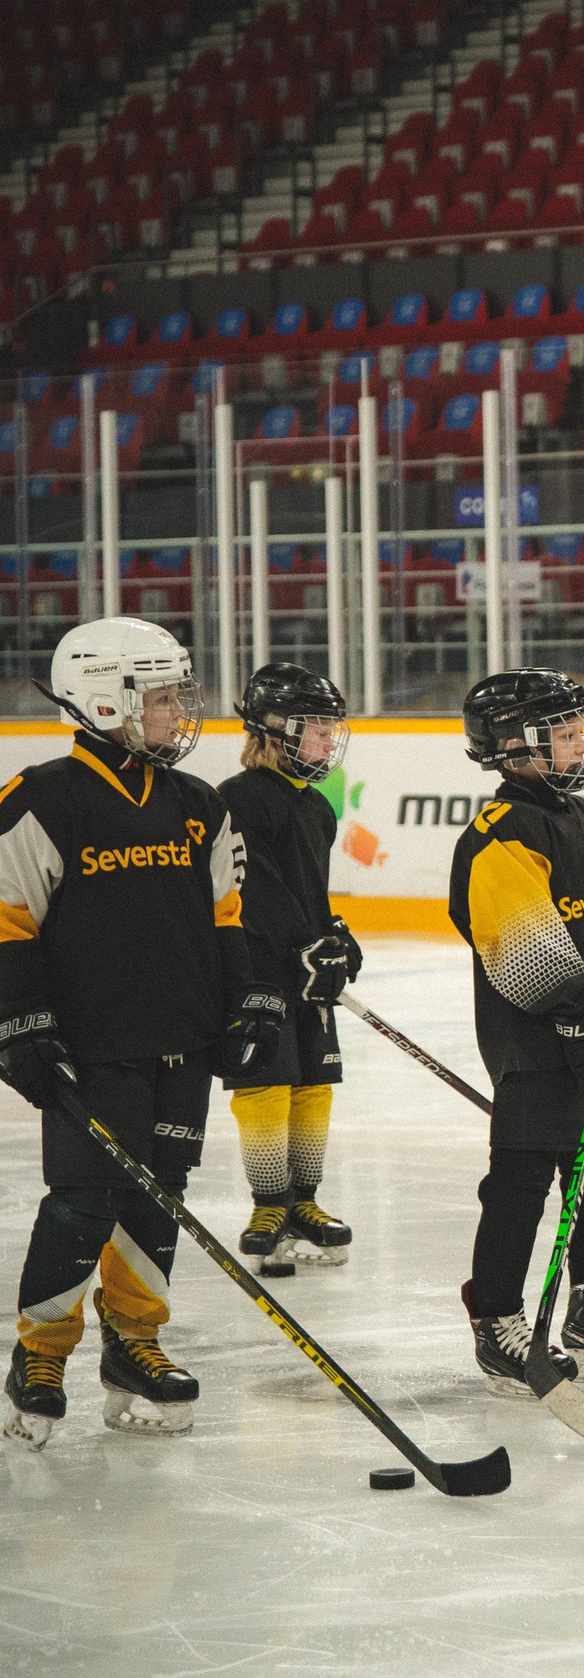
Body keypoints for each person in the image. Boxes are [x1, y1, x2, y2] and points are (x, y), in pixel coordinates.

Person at [2, 617, 283, 1450]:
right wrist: (21, 1027)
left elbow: (227, 922)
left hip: (181, 1044)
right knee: (84, 1201)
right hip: (92, 1050)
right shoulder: (41, 799)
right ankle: (40, 1352)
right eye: (160, 697)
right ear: (102, 700)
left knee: (159, 1198)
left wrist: (251, 1004)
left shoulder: (199, 804)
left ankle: (134, 1343)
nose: (176, 713)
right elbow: (9, 924)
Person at [449, 669, 584, 1395]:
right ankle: (496, 1321)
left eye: (581, 728)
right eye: (565, 731)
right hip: (540, 1043)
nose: (582, 742)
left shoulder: (581, 817)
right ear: (515, 745)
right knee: (522, 1178)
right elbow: (515, 938)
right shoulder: (501, 831)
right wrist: (573, 1009)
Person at [220, 663, 362, 1275]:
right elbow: (256, 895)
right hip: (259, 974)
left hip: (307, 967)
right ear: (273, 731)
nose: (330, 742)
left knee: (313, 1079)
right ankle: (268, 1203)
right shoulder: (239, 799)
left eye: (333, 730)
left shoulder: (315, 808)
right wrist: (302, 946)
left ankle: (303, 1201)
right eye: (318, 730)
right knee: (266, 1081)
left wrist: (333, 936)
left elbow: (310, 894)